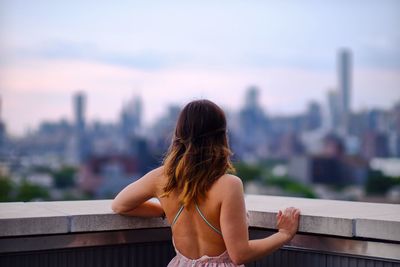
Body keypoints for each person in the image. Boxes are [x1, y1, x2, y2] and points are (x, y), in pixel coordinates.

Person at [111, 99, 300, 266]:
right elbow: (240, 254)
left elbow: (120, 205)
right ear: (221, 138)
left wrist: (163, 210)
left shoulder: (162, 178)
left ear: (178, 135)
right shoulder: (229, 185)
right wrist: (283, 234)